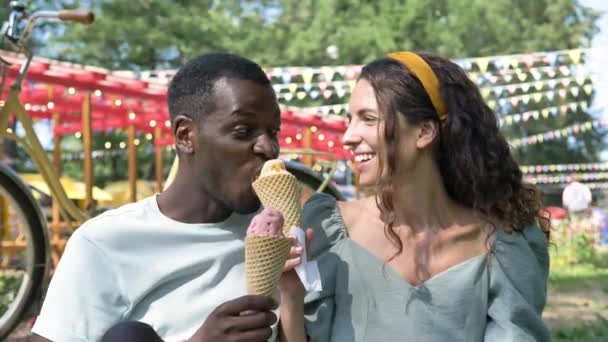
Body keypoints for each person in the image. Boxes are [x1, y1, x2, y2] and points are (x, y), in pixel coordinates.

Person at [30, 53, 306, 342]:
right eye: (243, 130)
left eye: (272, 131)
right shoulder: (108, 241)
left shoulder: (281, 237)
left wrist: (292, 295)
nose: (268, 147)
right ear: (186, 136)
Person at [280, 51, 551, 341]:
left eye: (368, 119)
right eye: (350, 120)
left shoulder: (500, 244)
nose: (348, 136)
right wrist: (290, 296)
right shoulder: (329, 230)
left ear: (424, 131)